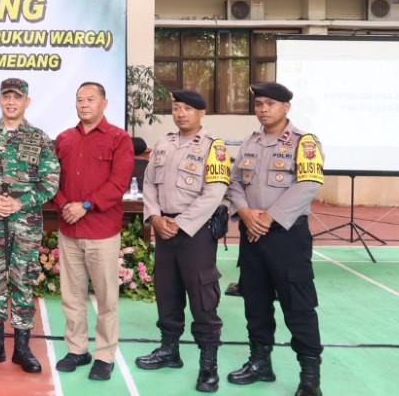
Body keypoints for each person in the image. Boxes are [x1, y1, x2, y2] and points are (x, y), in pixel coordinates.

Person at [226, 82, 325, 396]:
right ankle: (260, 363)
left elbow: (308, 184)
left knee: (298, 305)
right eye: (259, 104)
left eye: (270, 103)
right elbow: (235, 181)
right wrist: (244, 213)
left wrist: (268, 217)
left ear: (286, 108)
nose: (263, 109)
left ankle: (309, 378)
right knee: (255, 302)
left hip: (286, 237)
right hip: (252, 235)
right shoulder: (250, 142)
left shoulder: (303, 142)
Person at [136, 89, 229, 393]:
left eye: (188, 109)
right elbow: (148, 183)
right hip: (164, 228)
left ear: (201, 113)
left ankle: (208, 366)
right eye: (176, 108)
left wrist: (182, 223)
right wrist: (155, 217)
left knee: (202, 298)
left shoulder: (214, 148)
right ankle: (169, 351)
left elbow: (214, 193)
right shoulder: (164, 143)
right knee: (167, 292)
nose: (181, 113)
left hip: (195, 233)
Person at [0, 78, 60, 374]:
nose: (11, 102)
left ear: (27, 102)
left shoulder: (40, 139)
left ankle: (22, 348)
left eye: (17, 98)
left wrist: (22, 203)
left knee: (23, 281)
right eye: (6, 97)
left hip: (26, 224)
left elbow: (51, 183)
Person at [51, 81, 134, 381]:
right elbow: (51, 180)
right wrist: (64, 205)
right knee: (71, 296)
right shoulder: (63, 139)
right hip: (69, 230)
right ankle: (77, 350)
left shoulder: (118, 138)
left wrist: (85, 205)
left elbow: (118, 184)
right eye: (79, 100)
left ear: (104, 103)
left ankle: (104, 354)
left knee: (106, 298)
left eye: (91, 99)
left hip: (101, 231)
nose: (84, 104)